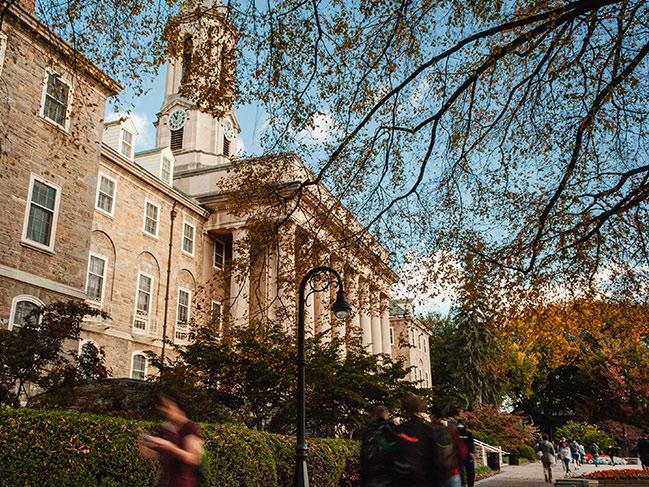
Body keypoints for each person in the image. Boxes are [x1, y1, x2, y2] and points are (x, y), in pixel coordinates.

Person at [139, 390, 205, 487]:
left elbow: (195, 459)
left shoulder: (191, 428)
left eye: (168, 407)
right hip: (166, 483)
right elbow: (156, 454)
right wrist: (147, 447)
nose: (165, 411)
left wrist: (171, 448)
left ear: (177, 406)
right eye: (162, 407)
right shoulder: (165, 428)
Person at [392, 394, 439, 487]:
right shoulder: (427, 430)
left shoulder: (399, 430)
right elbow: (435, 457)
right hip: (423, 478)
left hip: (402, 479)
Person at [360, 405, 396, 487]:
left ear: (375, 415)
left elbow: (363, 452)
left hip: (369, 474)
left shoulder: (368, 429)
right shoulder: (391, 427)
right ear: (387, 415)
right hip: (386, 474)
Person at [428, 415, 466, 487]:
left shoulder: (428, 431)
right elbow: (461, 449)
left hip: (436, 473)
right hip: (453, 471)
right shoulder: (451, 429)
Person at [457, 421, 475, 487]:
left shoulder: (468, 433)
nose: (460, 428)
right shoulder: (456, 434)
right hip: (459, 456)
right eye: (459, 426)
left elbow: (471, 444)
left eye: (461, 426)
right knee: (461, 473)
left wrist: (472, 452)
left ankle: (470, 485)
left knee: (471, 473)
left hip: (468, 456)